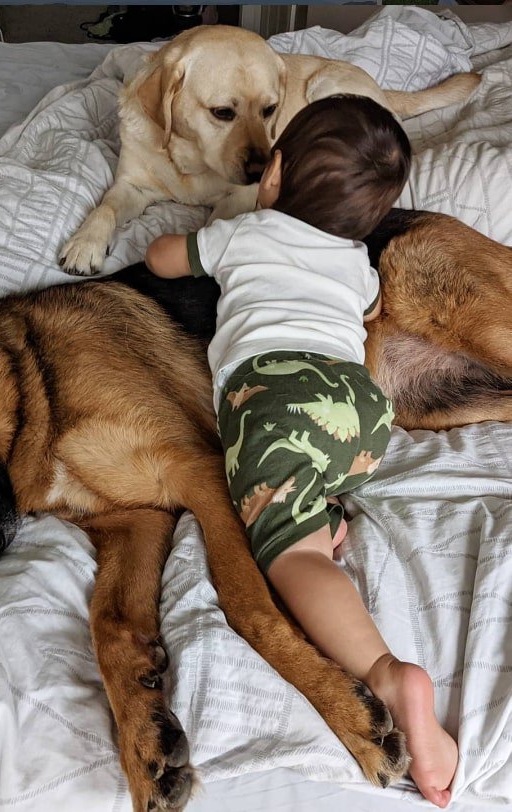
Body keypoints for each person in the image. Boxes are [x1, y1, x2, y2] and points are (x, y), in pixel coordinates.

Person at [145, 95, 458, 808]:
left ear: (273, 173)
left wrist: (188, 243)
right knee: (304, 493)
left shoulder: (246, 232)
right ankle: (318, 506)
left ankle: (383, 672)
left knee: (290, 554)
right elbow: (369, 314)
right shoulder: (356, 264)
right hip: (362, 411)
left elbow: (162, 260)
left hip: (276, 400)